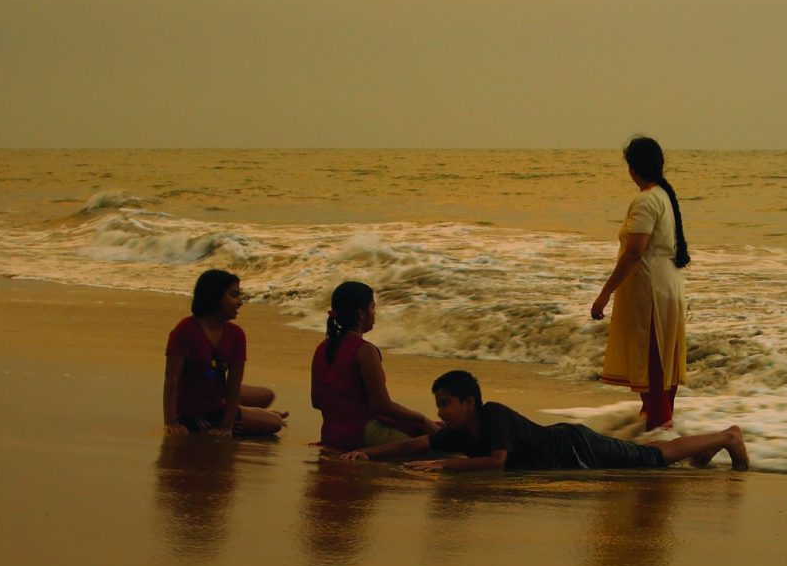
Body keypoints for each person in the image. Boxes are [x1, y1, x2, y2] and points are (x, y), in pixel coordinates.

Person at [338, 369, 747, 474]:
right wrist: (367, 454)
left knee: (654, 459)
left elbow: (497, 461)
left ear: (469, 402)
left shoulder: (494, 415)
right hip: (572, 451)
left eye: (446, 404)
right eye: (438, 405)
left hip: (578, 447)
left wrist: (446, 465)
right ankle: (707, 447)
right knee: (650, 454)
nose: (441, 412)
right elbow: (414, 445)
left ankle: (729, 436)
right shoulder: (460, 430)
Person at [590, 135, 691, 431]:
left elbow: (634, 252)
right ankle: (657, 430)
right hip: (668, 285)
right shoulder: (663, 196)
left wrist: (604, 294)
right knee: (662, 367)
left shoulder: (646, 200)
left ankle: (660, 439)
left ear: (633, 168)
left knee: (653, 370)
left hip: (651, 291)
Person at [310, 280, 432, 453]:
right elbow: (382, 405)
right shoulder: (364, 350)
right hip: (361, 435)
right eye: (373, 307)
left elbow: (317, 402)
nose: (375, 313)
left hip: (330, 433)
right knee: (431, 441)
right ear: (361, 314)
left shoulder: (322, 348)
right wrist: (421, 419)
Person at [163, 269, 285, 437]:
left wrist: (227, 425)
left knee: (267, 395)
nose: (239, 302)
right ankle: (253, 414)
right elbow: (172, 380)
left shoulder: (236, 334)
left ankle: (249, 412)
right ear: (214, 296)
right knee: (275, 423)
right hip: (200, 411)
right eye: (233, 295)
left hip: (217, 395)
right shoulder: (184, 331)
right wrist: (171, 421)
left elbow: (234, 385)